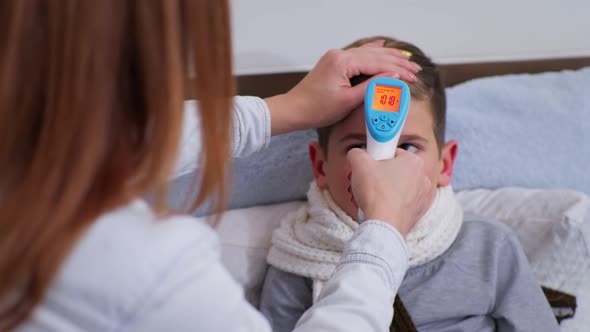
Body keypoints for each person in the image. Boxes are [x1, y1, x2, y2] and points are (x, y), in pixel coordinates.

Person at [0, 2, 430, 331]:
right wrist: (384, 232)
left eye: (412, 147)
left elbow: (97, 147)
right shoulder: (146, 269)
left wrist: (279, 111)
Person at [260, 36, 560, 332]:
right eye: (360, 147)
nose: (385, 167)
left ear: (445, 164)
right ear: (320, 165)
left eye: (409, 147)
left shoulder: (489, 248)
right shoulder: (296, 263)